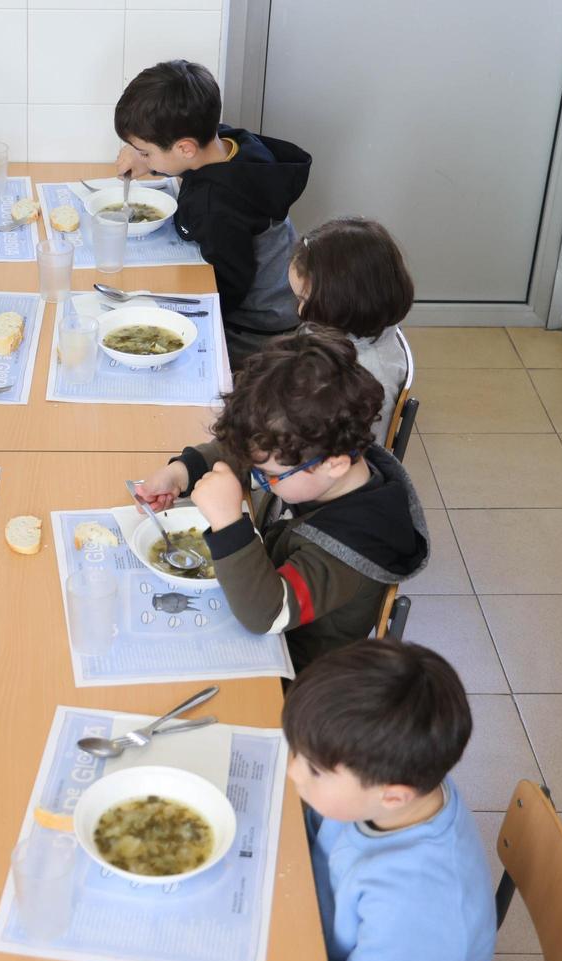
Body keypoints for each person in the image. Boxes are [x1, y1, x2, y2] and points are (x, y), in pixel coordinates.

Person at [135, 329, 428, 668]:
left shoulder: (349, 551)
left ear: (334, 464)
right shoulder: (329, 455)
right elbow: (257, 450)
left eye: (269, 477)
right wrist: (182, 473)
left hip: (292, 671)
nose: (261, 480)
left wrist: (230, 523)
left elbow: (267, 614)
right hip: (260, 598)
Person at [282, 639, 495, 961]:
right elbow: (310, 834)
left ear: (394, 796)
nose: (293, 772)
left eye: (314, 770)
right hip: (306, 921)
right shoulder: (394, 784)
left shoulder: (416, 907)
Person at [113, 59, 310, 363]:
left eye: (145, 151)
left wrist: (170, 304)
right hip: (282, 302)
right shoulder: (232, 143)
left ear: (185, 148)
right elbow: (191, 165)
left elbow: (228, 288)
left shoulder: (218, 207)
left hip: (259, 330)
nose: (141, 157)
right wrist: (151, 161)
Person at [291, 217, 415, 444]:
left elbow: (362, 456)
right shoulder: (350, 327)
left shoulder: (370, 379)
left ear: (343, 302)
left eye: (304, 300)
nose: (300, 312)